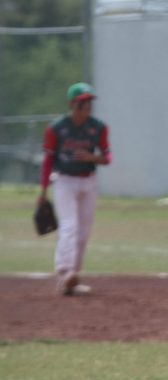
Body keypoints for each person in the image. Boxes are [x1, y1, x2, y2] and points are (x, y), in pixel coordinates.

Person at [37, 82, 112, 296]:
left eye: (89, 102)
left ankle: (73, 278)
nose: (87, 106)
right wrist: (43, 191)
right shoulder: (56, 128)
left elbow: (107, 157)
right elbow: (48, 160)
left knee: (84, 231)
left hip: (89, 181)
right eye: (82, 102)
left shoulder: (98, 127)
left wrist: (92, 157)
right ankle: (64, 271)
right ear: (72, 104)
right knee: (69, 225)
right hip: (64, 180)